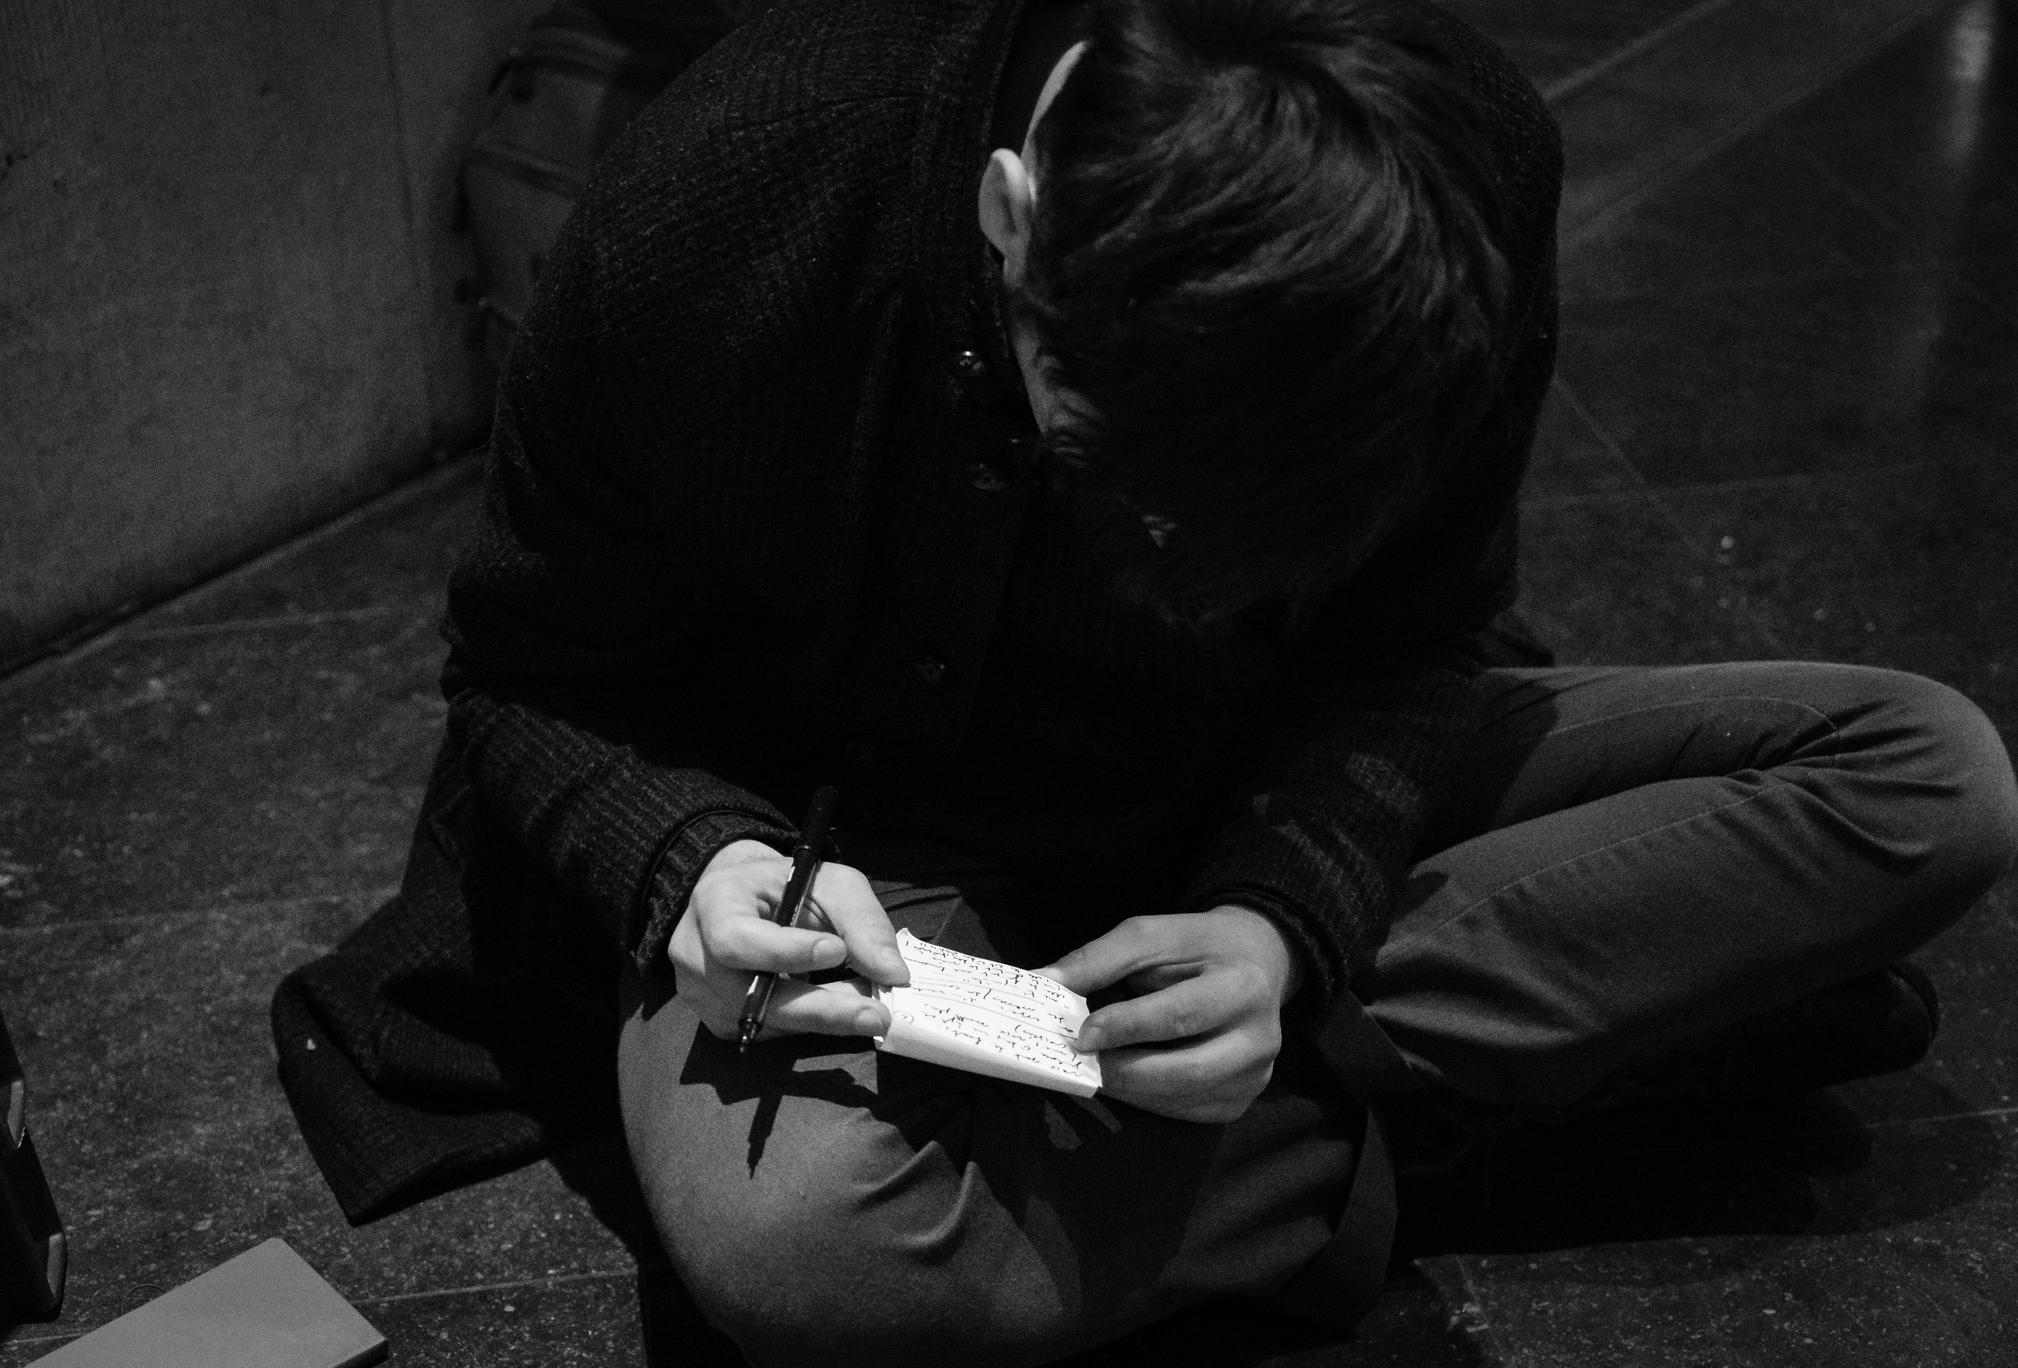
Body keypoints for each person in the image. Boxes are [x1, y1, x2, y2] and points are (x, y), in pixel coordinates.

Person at [273, 0, 2018, 1363]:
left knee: (1922, 777)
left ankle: (1255, 1098)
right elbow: (529, 672)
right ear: (1009, 217)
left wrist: (1278, 923)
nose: (1171, 577)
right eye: (1119, 477)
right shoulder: (728, 198)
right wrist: (691, 862)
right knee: (808, 1261)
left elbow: (1412, 638)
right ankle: (1557, 1061)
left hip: (1258, 762)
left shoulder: (1447, 169)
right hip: (859, 840)